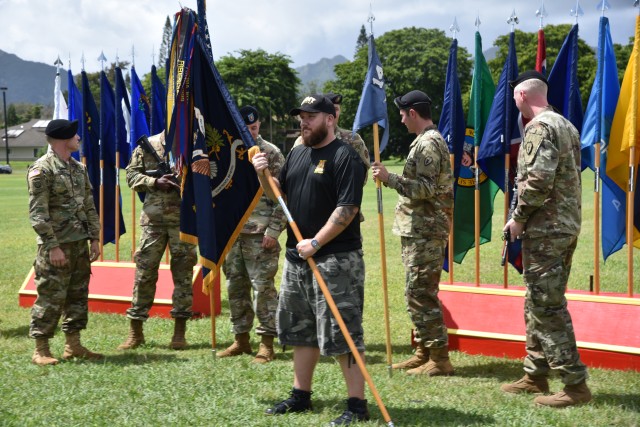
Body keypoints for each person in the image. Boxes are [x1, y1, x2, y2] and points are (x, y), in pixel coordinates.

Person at [252, 95, 369, 425]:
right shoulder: (298, 152)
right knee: (301, 330)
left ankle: (357, 405)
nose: (303, 122)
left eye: (311, 117)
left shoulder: (345, 156)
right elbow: (280, 193)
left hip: (336, 260)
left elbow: (347, 210)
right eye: (301, 117)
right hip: (297, 258)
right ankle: (300, 396)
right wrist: (263, 174)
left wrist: (316, 242)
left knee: (343, 332)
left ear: (330, 120)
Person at [501, 70, 591, 408]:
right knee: (537, 301)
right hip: (564, 227)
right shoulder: (565, 124)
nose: (514, 104)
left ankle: (575, 385)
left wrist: (518, 220)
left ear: (523, 96)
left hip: (547, 229)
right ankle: (535, 373)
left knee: (547, 306)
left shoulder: (539, 128)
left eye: (514, 98)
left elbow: (537, 181)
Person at [372, 90, 455, 376]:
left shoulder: (428, 144)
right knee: (415, 291)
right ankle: (423, 351)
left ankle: (440, 359)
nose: (401, 119)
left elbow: (426, 188)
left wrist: (389, 178)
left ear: (413, 113)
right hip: (418, 229)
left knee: (421, 293)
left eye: (403, 114)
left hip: (426, 230)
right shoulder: (422, 142)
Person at [27, 119, 103, 365]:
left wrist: (94, 238)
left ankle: (74, 345)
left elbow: (89, 205)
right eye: (74, 135)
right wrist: (53, 246)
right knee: (50, 296)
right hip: (57, 245)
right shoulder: (42, 169)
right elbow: (38, 213)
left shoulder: (78, 169)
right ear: (63, 139)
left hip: (80, 242)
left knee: (77, 295)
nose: (78, 138)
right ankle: (41, 349)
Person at [218, 106, 286, 364]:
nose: (251, 132)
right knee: (235, 287)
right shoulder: (227, 151)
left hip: (260, 234)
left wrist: (274, 230)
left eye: (255, 127)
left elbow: (283, 197)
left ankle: (267, 342)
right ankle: (241, 339)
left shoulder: (271, 153)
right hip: (233, 233)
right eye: (246, 128)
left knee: (263, 289)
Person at [117, 131, 197, 351]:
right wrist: (154, 181)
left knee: (183, 276)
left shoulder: (194, 145)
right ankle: (136, 332)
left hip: (184, 221)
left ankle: (179, 333)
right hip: (153, 221)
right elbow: (131, 176)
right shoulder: (148, 145)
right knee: (144, 273)